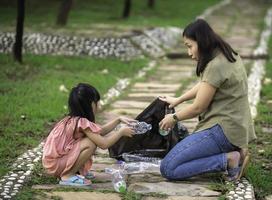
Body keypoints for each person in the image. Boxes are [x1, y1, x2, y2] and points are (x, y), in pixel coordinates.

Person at [159, 19, 256, 181]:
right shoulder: (227, 54)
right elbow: (207, 84)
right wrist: (179, 99)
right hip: (236, 128)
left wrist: (173, 118)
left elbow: (198, 108)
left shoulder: (215, 65)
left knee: (168, 168)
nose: (189, 53)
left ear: (202, 42)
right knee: (182, 154)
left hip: (221, 131)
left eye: (190, 46)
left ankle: (229, 160)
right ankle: (237, 153)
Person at [42, 83, 136, 186]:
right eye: (97, 102)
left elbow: (101, 131)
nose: (98, 105)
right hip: (56, 164)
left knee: (90, 140)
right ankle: (68, 175)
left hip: (55, 162)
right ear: (90, 104)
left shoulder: (75, 119)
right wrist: (121, 132)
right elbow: (103, 144)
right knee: (90, 143)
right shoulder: (82, 122)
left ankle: (76, 171)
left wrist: (118, 120)